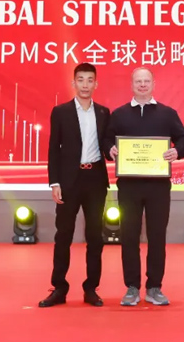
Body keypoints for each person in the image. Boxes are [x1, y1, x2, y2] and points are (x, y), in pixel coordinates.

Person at [105, 67, 184, 306]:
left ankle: (154, 287)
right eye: (138, 81)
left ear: (153, 84)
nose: (142, 85)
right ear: (132, 84)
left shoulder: (167, 113)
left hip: (158, 187)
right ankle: (132, 287)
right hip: (129, 186)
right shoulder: (119, 114)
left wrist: (177, 151)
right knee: (128, 236)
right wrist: (110, 149)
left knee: (157, 236)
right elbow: (106, 139)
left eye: (146, 81)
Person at [39, 63, 111, 308]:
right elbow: (53, 149)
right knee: (63, 235)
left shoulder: (103, 113)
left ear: (96, 84)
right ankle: (59, 288)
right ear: (73, 83)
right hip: (69, 180)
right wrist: (54, 182)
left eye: (90, 80)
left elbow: (107, 145)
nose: (85, 85)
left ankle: (91, 288)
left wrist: (115, 151)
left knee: (95, 236)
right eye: (81, 80)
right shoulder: (61, 112)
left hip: (95, 180)